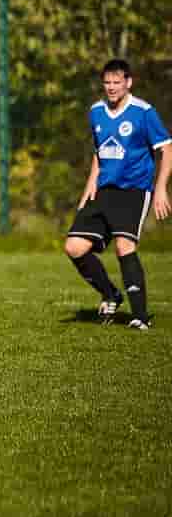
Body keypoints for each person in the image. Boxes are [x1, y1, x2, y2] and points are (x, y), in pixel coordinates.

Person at [64, 58, 170, 330]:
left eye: (117, 82)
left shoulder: (143, 112)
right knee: (74, 247)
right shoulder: (96, 112)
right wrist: (90, 185)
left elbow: (166, 149)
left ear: (128, 83)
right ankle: (110, 294)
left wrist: (160, 188)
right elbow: (99, 152)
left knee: (124, 246)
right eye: (107, 82)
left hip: (134, 190)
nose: (111, 87)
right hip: (104, 190)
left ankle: (140, 317)